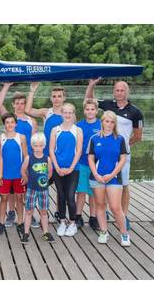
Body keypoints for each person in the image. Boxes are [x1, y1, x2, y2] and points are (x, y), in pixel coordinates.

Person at [85, 78, 144, 231]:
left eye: (122, 90)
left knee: (124, 185)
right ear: (114, 91)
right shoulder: (107, 105)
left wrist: (122, 147)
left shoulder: (135, 112)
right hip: (104, 152)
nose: (119, 93)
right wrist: (92, 84)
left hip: (123, 155)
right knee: (103, 182)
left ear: (127, 91)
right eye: (117, 90)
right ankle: (103, 213)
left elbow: (138, 136)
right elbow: (88, 101)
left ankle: (123, 217)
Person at [0, 82, 39, 228]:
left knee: (25, 191)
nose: (20, 106)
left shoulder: (31, 121)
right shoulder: (9, 118)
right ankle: (11, 213)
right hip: (9, 164)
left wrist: (30, 165)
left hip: (25, 160)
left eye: (22, 103)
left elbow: (33, 143)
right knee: (11, 192)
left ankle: (28, 214)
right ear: (13, 105)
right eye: (17, 103)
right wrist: (6, 85)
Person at [88, 111, 129, 246]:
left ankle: (124, 234)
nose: (109, 124)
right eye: (107, 121)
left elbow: (123, 159)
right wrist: (96, 175)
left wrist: (111, 174)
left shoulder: (120, 139)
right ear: (102, 122)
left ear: (115, 124)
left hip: (114, 177)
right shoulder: (94, 139)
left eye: (112, 122)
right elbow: (91, 158)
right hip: (97, 177)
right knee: (100, 205)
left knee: (115, 207)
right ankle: (104, 232)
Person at [25, 82, 65, 222]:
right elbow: (28, 110)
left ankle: (60, 214)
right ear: (51, 98)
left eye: (59, 96)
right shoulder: (46, 112)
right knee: (40, 186)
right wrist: (32, 90)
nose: (56, 99)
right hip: (45, 157)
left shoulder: (68, 114)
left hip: (60, 157)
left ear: (64, 98)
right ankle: (39, 214)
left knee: (61, 190)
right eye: (54, 96)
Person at [49, 103, 83, 237]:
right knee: (61, 196)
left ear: (73, 114)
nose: (68, 115)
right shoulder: (55, 130)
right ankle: (62, 221)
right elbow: (51, 149)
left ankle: (73, 223)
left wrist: (70, 168)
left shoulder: (77, 130)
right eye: (65, 112)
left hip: (73, 169)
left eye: (70, 112)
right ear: (61, 114)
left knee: (70, 196)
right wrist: (57, 167)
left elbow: (79, 151)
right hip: (58, 168)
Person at [0, 113, 28, 236]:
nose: (9, 124)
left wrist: (25, 173)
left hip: (19, 174)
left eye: (12, 122)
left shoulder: (22, 137)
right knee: (4, 198)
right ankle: (1, 223)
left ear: (16, 123)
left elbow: (26, 156)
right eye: (7, 122)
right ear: (4, 124)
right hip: (5, 175)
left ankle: (20, 223)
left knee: (19, 198)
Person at [20, 132, 55, 244]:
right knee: (29, 211)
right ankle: (26, 233)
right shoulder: (28, 158)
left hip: (43, 190)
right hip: (31, 189)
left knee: (43, 211)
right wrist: (27, 178)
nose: (38, 148)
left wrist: (44, 181)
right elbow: (23, 170)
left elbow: (50, 172)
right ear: (32, 146)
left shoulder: (47, 159)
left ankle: (45, 232)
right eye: (36, 145)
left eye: (40, 145)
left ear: (44, 146)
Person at [76, 98, 101, 230]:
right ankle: (78, 216)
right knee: (81, 191)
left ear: (96, 111)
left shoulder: (101, 125)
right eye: (87, 109)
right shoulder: (79, 126)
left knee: (93, 192)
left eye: (92, 109)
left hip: (96, 166)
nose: (90, 111)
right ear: (84, 111)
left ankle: (93, 217)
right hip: (82, 163)